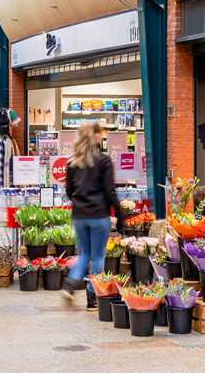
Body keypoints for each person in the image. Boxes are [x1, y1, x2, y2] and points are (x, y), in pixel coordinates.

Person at [61, 122, 127, 308]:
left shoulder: (72, 162)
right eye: (100, 133)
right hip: (99, 215)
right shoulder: (103, 161)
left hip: (79, 216)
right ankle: (92, 298)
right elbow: (110, 191)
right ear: (95, 136)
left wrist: (79, 204)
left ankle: (69, 286)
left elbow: (69, 190)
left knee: (83, 254)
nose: (102, 135)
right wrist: (120, 215)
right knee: (98, 258)